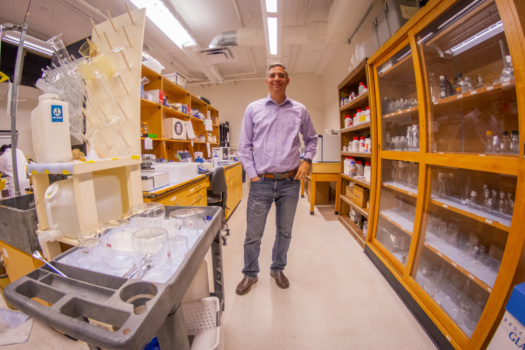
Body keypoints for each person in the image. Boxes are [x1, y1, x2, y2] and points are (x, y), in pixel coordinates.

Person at [236, 63, 318, 295]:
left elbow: (311, 139)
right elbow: (244, 147)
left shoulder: (299, 110)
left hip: (290, 183)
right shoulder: (254, 108)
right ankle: (250, 274)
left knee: (285, 231)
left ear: (287, 80)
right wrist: (252, 176)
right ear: (266, 81)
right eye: (272, 75)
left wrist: (307, 160)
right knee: (253, 234)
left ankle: (277, 269)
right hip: (260, 181)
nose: (276, 79)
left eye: (281, 75)